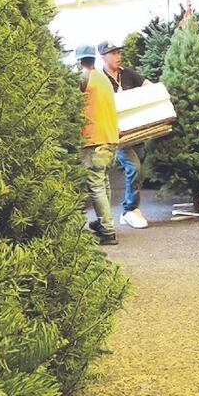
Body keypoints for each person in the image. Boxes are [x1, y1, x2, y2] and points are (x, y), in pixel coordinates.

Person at [98, 38, 151, 229]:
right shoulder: (100, 79)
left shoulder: (127, 74)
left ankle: (129, 210)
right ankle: (130, 209)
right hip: (118, 133)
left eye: (119, 52)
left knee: (139, 168)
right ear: (103, 56)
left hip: (137, 130)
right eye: (113, 53)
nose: (118, 56)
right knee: (134, 167)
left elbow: (148, 85)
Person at [77, 44, 119, 245]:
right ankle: (105, 222)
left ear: (79, 61)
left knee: (95, 185)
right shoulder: (103, 78)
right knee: (104, 182)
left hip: (94, 140)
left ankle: (108, 231)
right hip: (110, 138)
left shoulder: (83, 79)